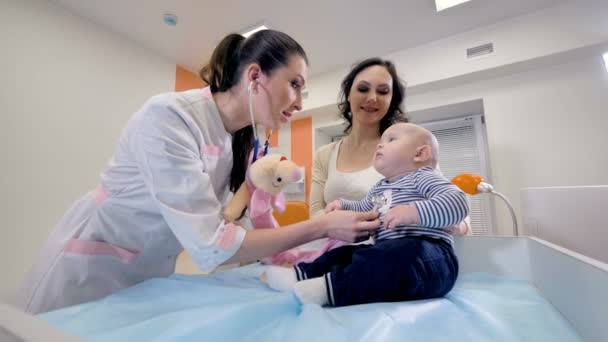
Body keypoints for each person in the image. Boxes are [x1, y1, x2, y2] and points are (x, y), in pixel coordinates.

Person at [16, 30, 380, 314]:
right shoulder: (170, 116)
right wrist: (320, 227)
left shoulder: (235, 137)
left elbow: (226, 222)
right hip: (90, 265)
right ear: (256, 75)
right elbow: (213, 246)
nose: (300, 102)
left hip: (150, 270)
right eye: (295, 84)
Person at [263, 123, 469, 306]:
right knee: (347, 254)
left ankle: (332, 289)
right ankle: (300, 275)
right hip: (386, 251)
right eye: (381, 141)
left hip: (431, 258)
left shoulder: (423, 177)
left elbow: (459, 202)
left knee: (392, 255)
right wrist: (343, 205)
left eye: (391, 140)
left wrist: (415, 211)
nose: (380, 145)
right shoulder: (380, 187)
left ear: (420, 154)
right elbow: (365, 208)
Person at [309, 57, 469, 234]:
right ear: (348, 94)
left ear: (392, 100)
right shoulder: (324, 155)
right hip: (337, 251)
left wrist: (417, 217)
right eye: (363, 89)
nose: (372, 98)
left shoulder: (410, 151)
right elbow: (316, 214)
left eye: (383, 91)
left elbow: (458, 217)